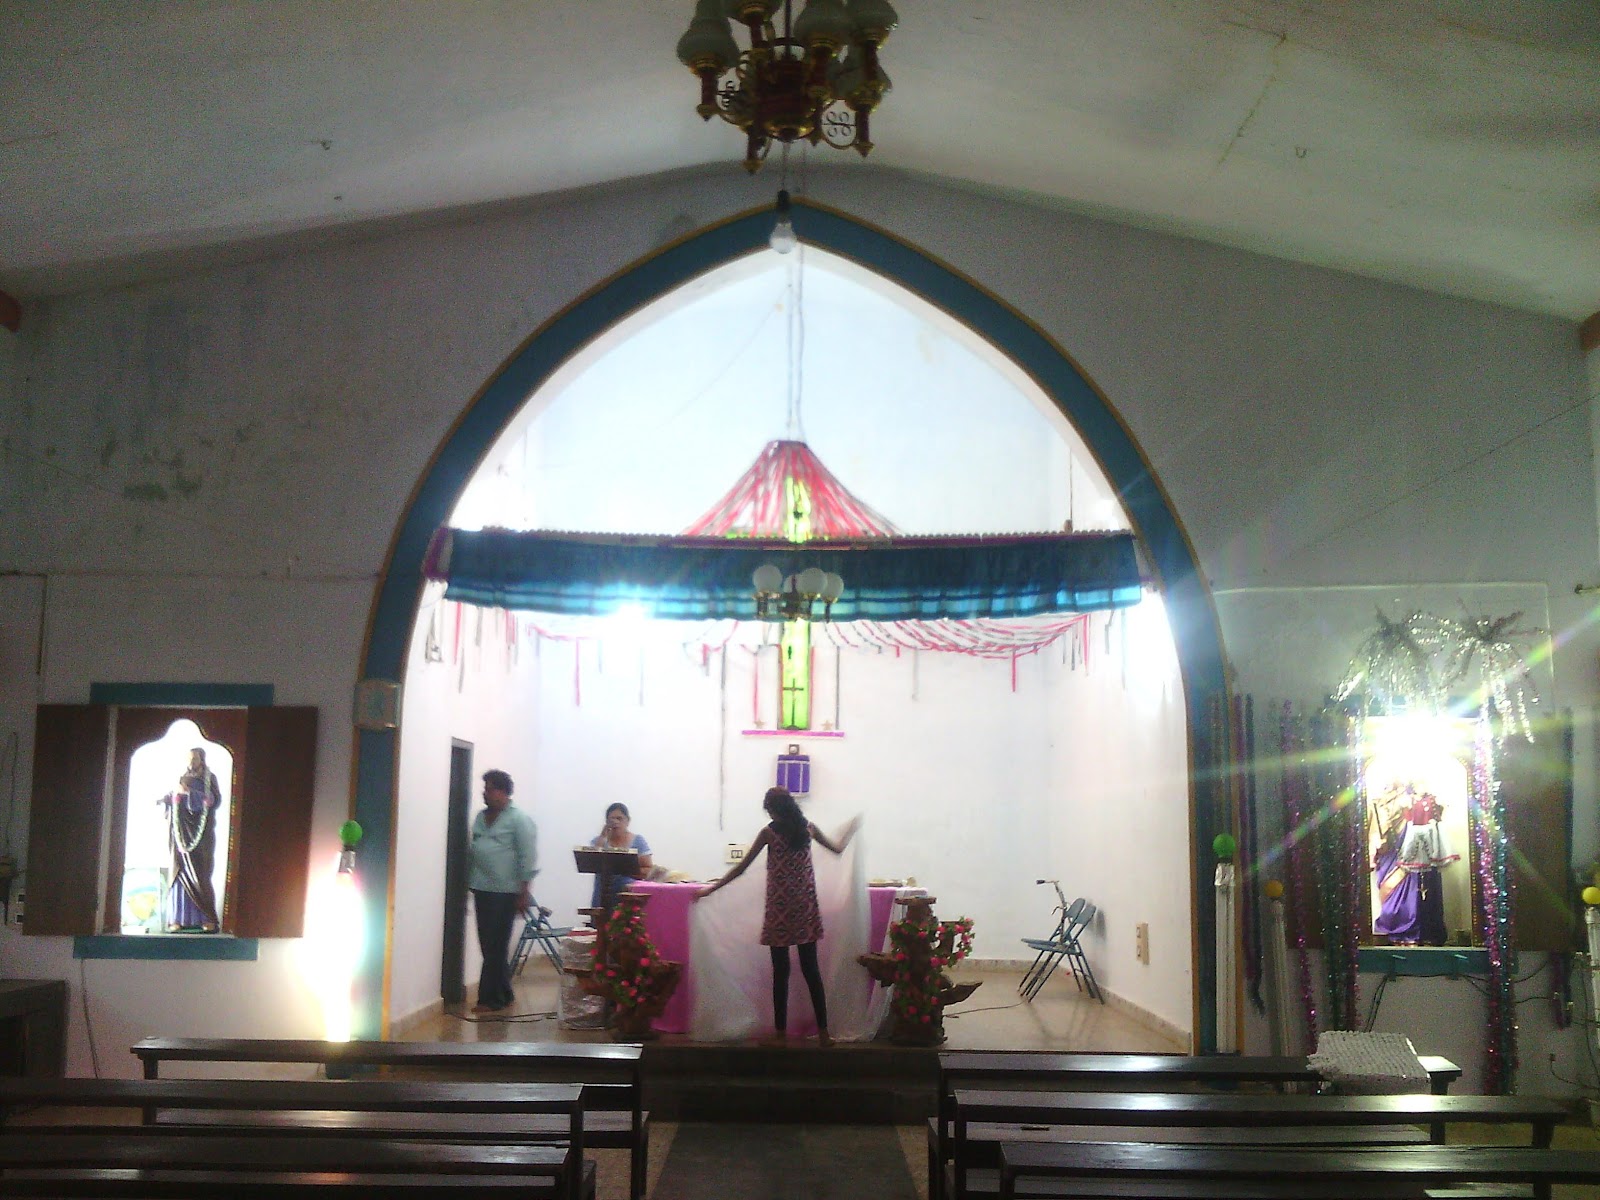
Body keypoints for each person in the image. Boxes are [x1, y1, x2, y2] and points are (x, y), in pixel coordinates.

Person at [695, 786, 858, 1047]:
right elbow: (838, 849)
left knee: (780, 973)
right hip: (804, 908)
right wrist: (850, 829)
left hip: (780, 910)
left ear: (774, 810)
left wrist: (711, 889)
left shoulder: (769, 833)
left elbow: (741, 869)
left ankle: (781, 1035)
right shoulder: (808, 829)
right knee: (811, 970)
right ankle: (824, 1033)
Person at [468, 768, 538, 1013]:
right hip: (481, 887)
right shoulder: (480, 817)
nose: (484, 793)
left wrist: (523, 891)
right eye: (484, 788)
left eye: (489, 788)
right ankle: (505, 992)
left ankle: (490, 999)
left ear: (503, 792)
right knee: (487, 944)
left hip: (505, 891)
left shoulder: (518, 820)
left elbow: (527, 857)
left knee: (496, 945)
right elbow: (474, 849)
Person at [159, 747, 222, 932]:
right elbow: (175, 797)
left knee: (199, 873)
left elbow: (214, 800)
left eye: (194, 759)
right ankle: (177, 919)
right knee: (179, 871)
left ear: (201, 759)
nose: (191, 763)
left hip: (200, 835)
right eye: (189, 759)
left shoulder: (210, 779)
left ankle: (207, 918)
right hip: (181, 831)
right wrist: (167, 799)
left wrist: (190, 793)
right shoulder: (183, 777)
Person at [589, 802, 653, 910]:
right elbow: (591, 862)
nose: (616, 823)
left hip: (627, 897)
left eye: (619, 818)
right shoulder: (599, 841)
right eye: (612, 819)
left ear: (627, 821)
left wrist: (626, 871)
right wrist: (602, 837)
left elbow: (648, 869)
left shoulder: (637, 841)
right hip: (602, 897)